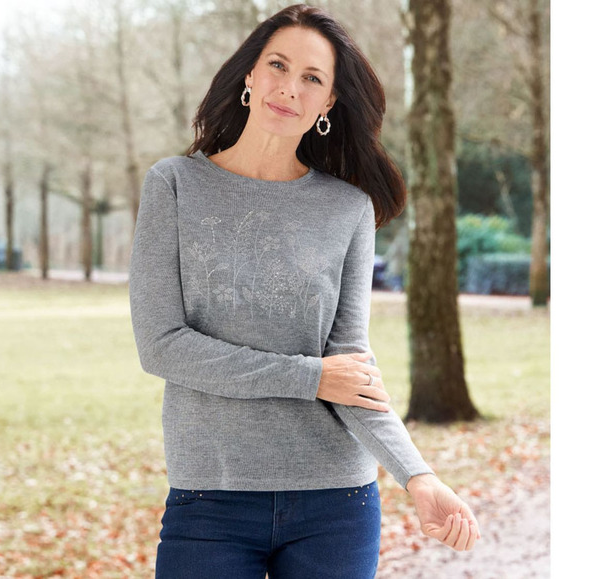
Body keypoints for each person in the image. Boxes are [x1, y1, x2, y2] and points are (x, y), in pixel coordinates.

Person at [128, 4, 480, 577]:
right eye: (278, 65)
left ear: (328, 103)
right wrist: (309, 377)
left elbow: (351, 369)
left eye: (312, 78)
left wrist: (419, 477)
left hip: (336, 503)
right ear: (250, 74)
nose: (290, 87)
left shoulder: (348, 209)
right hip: (211, 498)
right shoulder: (174, 185)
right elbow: (162, 346)